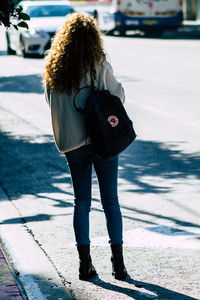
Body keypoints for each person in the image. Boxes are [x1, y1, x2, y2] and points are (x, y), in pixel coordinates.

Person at [43, 13, 127, 281]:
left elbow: (51, 100)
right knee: (110, 200)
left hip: (73, 143)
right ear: (93, 38)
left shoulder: (54, 67)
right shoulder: (97, 63)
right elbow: (118, 95)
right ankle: (119, 265)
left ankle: (85, 264)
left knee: (81, 202)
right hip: (102, 140)